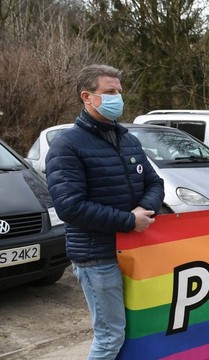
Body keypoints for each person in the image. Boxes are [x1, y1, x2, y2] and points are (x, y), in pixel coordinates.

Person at [45, 64, 165, 359]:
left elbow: (154, 183)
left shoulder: (128, 140)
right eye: (109, 92)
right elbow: (70, 207)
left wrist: (144, 208)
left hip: (135, 251)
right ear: (87, 97)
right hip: (97, 257)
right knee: (110, 337)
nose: (117, 98)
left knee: (137, 329)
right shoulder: (67, 146)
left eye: (119, 92)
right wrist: (128, 221)